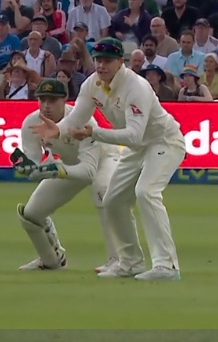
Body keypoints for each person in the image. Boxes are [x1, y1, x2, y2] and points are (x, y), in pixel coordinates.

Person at [29, 38, 186, 281]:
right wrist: (57, 130)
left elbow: (133, 136)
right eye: (98, 60)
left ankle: (167, 266)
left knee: (146, 192)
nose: (102, 66)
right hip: (138, 148)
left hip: (164, 141)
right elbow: (77, 118)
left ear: (120, 62)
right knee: (112, 200)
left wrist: (95, 132)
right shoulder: (93, 84)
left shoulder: (137, 88)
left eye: (108, 61)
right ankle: (131, 262)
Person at [11, 78, 144, 277]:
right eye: (42, 100)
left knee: (104, 194)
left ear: (65, 100)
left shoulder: (82, 120)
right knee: (32, 214)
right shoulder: (31, 123)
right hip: (69, 164)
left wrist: (57, 170)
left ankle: (119, 260)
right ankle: (52, 260)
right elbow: (35, 162)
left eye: (52, 100)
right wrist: (29, 169)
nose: (46, 106)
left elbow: (90, 171)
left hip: (105, 159)